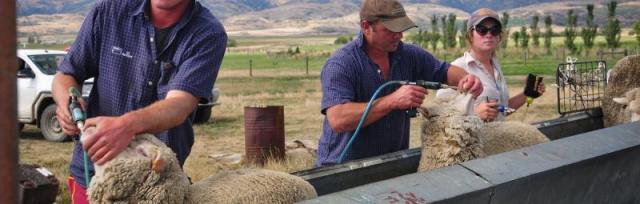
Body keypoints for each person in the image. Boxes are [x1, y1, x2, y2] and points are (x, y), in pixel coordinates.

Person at [52, 0, 227, 203]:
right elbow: (66, 74)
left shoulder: (207, 33)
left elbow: (179, 104)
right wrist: (67, 102)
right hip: (94, 175)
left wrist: (127, 126)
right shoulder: (109, 12)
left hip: (156, 183)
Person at [316, 0, 484, 167]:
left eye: (401, 28)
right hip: (341, 171)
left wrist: (466, 79)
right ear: (366, 26)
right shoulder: (341, 64)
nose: (399, 35)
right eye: (390, 30)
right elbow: (337, 119)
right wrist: (392, 101)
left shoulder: (409, 55)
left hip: (392, 164)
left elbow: (444, 71)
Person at [452, 8, 545, 121]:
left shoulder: (495, 66)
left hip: (496, 137)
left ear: (499, 36)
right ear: (470, 35)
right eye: (482, 29)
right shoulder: (457, 68)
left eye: (495, 30)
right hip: (474, 138)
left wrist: (526, 94)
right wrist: (475, 115)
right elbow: (441, 117)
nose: (489, 34)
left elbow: (502, 110)